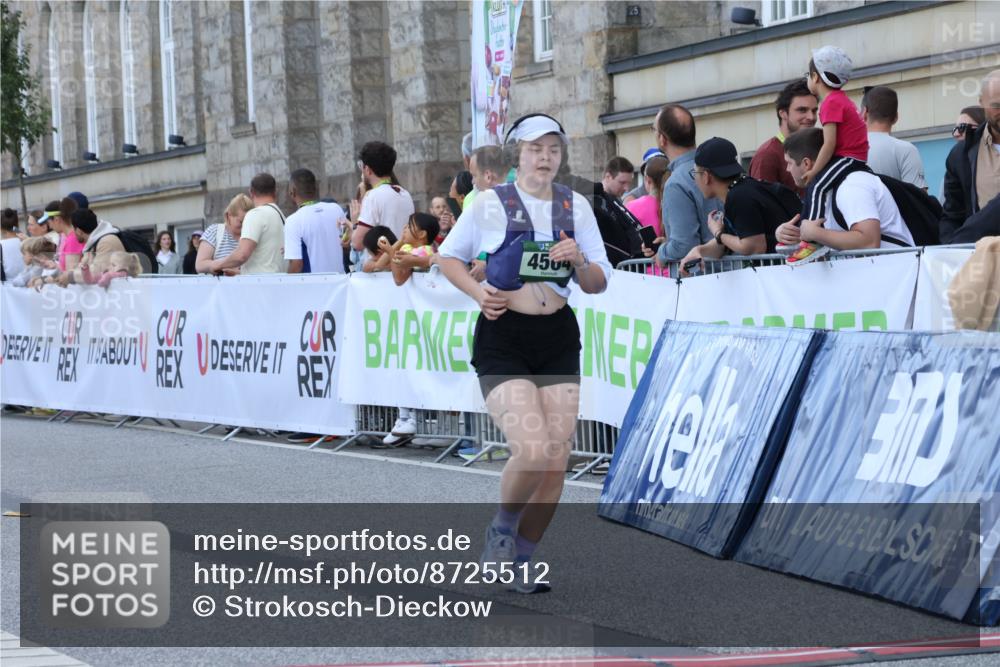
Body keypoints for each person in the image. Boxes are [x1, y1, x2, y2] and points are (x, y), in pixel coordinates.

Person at [438, 113, 611, 593]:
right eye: (536, 149)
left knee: (555, 460)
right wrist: (478, 295)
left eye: (553, 150)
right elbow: (447, 258)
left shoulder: (575, 205)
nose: (545, 158)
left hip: (557, 334)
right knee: (532, 450)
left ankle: (523, 559)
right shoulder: (490, 204)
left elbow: (597, 282)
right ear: (519, 155)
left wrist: (578, 260)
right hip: (503, 334)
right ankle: (500, 530)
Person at [775, 128, 913, 256]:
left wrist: (816, 233)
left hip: (894, 274)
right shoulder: (825, 188)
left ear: (806, 164)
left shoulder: (851, 185)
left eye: (790, 163)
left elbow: (869, 242)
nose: (787, 169)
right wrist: (788, 234)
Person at [790, 46, 869, 264]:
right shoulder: (839, 99)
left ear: (815, 77)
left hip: (849, 156)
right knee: (819, 186)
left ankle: (812, 239)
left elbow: (829, 143)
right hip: (853, 155)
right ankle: (808, 233)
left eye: (808, 75)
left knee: (817, 184)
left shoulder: (830, 103)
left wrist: (815, 170)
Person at [680, 138, 801, 274]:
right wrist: (698, 251)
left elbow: (753, 247)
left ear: (706, 176)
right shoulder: (744, 189)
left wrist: (718, 233)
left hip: (783, 275)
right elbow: (725, 245)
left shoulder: (739, 197)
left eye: (695, 174)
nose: (695, 180)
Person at [653, 104, 721, 266]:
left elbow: (684, 245)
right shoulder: (718, 165)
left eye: (653, 129)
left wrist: (661, 254)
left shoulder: (676, 183)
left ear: (662, 139)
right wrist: (668, 242)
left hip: (703, 279)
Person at [941, 70, 1000, 243]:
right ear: (981, 102)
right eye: (996, 105)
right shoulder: (961, 155)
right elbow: (952, 215)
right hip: (983, 260)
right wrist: (949, 250)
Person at [750, 78, 818, 195]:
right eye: (802, 110)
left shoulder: (820, 148)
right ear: (783, 114)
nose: (811, 117)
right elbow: (762, 207)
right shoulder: (767, 156)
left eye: (814, 110)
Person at [209, 173, 285, 275]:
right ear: (275, 191)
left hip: (259, 287)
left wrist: (217, 265)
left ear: (251, 192)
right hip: (279, 282)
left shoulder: (255, 214)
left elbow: (242, 254)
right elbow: (269, 262)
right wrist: (239, 273)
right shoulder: (282, 216)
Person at [350, 141, 415, 252]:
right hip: (401, 260)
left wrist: (355, 223)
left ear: (367, 170)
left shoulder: (372, 196)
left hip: (382, 265)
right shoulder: (404, 193)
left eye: (361, 166)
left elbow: (358, 243)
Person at [861, 86, 927, 189]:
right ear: (896, 117)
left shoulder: (847, 150)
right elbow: (919, 199)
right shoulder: (907, 150)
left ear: (864, 113)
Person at [285, 168, 347, 274]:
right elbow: (346, 247)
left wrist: (285, 285)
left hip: (315, 286)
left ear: (292, 192)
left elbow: (296, 264)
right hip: (340, 282)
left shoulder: (293, 221)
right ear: (316, 188)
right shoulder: (336, 209)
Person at [55, 209, 128, 286]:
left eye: (74, 229)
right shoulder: (93, 243)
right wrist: (66, 275)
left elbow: (96, 273)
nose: (73, 233)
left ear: (79, 231)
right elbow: (83, 268)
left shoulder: (106, 242)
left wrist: (69, 276)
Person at [628, 155, 670, 275]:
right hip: (679, 273)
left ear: (647, 179)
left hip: (650, 276)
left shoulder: (633, 206)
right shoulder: (678, 202)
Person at [377, 212, 441, 286]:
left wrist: (390, 251)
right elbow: (379, 265)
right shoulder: (407, 247)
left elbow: (399, 279)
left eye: (409, 226)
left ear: (422, 234)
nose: (404, 228)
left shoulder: (425, 251)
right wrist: (400, 241)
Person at [196, 194, 251, 274]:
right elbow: (200, 265)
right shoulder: (214, 231)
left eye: (249, 222)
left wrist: (239, 273)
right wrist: (218, 266)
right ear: (229, 215)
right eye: (241, 221)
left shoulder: (252, 235)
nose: (244, 225)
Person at [46, 198, 84, 271]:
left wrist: (45, 279)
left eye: (49, 222)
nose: (50, 226)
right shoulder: (69, 237)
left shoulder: (72, 240)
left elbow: (70, 276)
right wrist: (55, 266)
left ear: (57, 219)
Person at [1, 208, 25, 281]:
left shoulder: (1, 245)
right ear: (17, 225)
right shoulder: (27, 242)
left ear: (1, 228)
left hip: (5, 289)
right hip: (29, 287)